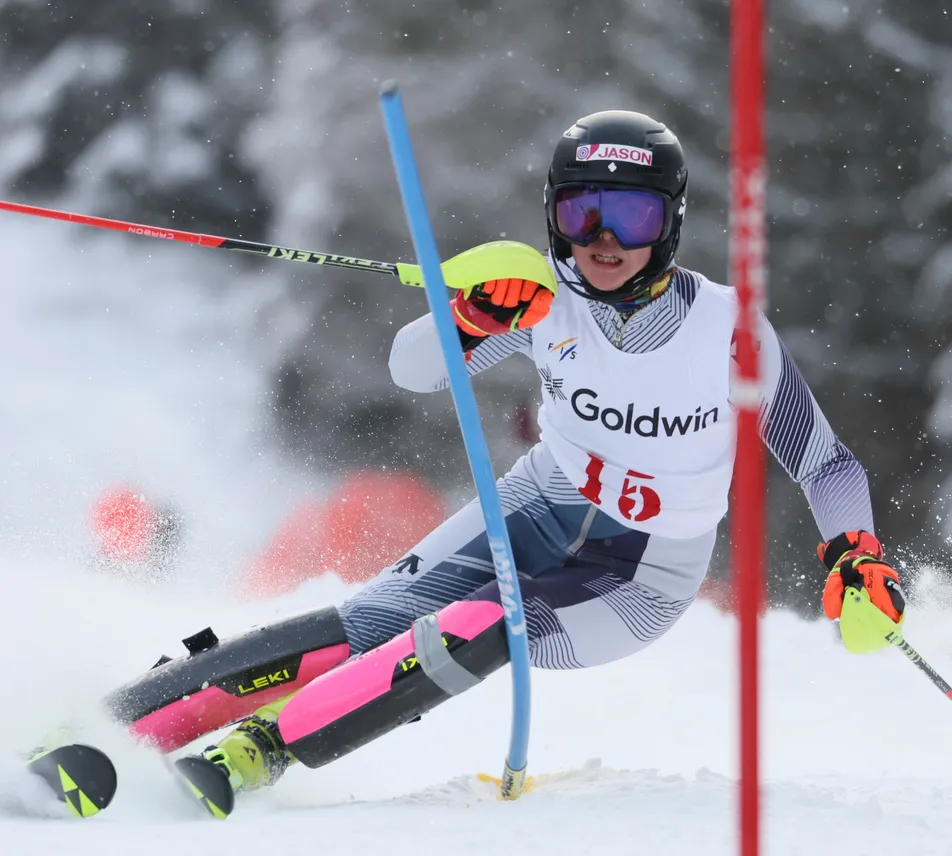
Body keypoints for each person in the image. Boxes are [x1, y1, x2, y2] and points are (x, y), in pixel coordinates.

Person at [127, 110, 904, 811]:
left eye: (630, 216)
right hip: (535, 506)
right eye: (581, 213)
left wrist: (854, 550)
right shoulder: (540, 298)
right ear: (554, 216)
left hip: (639, 576)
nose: (603, 240)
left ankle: (261, 751)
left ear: (669, 222)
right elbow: (415, 368)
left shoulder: (729, 332)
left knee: (484, 623)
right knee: (367, 622)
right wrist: (468, 321)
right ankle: (125, 719)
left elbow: (826, 464)